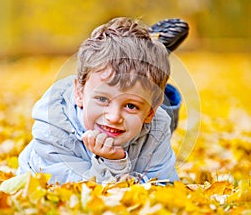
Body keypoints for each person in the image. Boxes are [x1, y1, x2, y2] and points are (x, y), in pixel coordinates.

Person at [17, 17, 189, 184]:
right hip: (64, 170)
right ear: (79, 93)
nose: (114, 117)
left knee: (161, 111)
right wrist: (112, 163)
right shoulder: (52, 130)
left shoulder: (156, 121)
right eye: (102, 99)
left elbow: (164, 184)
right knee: (141, 95)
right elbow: (78, 192)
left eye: (130, 106)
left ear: (150, 112)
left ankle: (144, 54)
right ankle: (141, 54)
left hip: (150, 113)